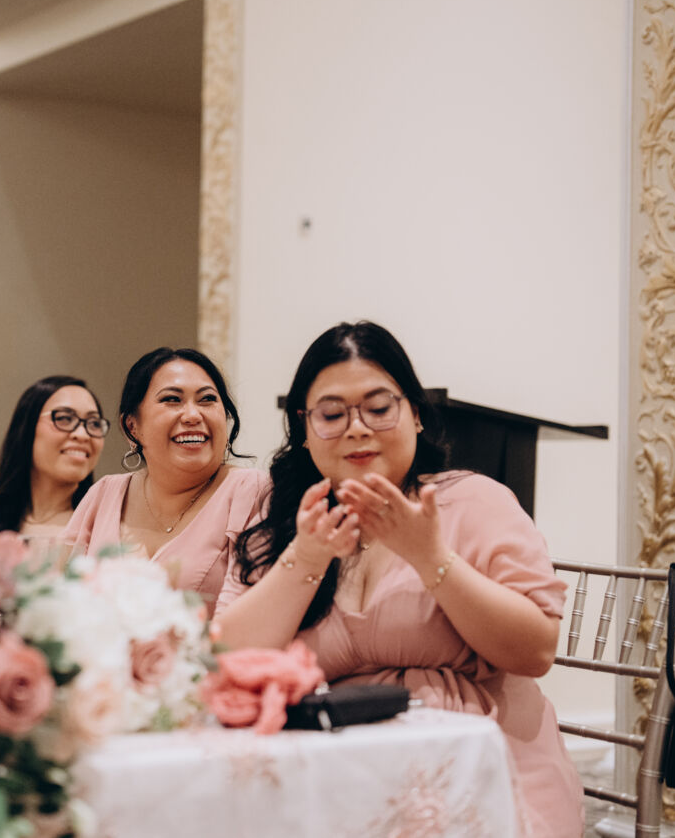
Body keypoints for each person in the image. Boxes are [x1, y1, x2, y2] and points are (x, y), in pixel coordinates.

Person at [213, 321, 583, 838]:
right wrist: (306, 557)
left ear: (415, 412)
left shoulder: (474, 501)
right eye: (332, 414)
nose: (357, 428)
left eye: (379, 407)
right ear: (304, 427)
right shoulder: (284, 522)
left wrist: (430, 559)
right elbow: (226, 660)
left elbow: (535, 651)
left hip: (486, 768)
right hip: (332, 778)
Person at [63, 348, 267, 618]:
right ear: (132, 427)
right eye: (172, 399)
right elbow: (59, 603)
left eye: (207, 399)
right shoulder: (103, 494)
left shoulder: (252, 491)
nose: (193, 415)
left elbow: (254, 619)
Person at [0, 376, 108, 543]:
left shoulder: (107, 528)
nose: (82, 434)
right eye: (64, 418)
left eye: (94, 423)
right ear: (26, 428)